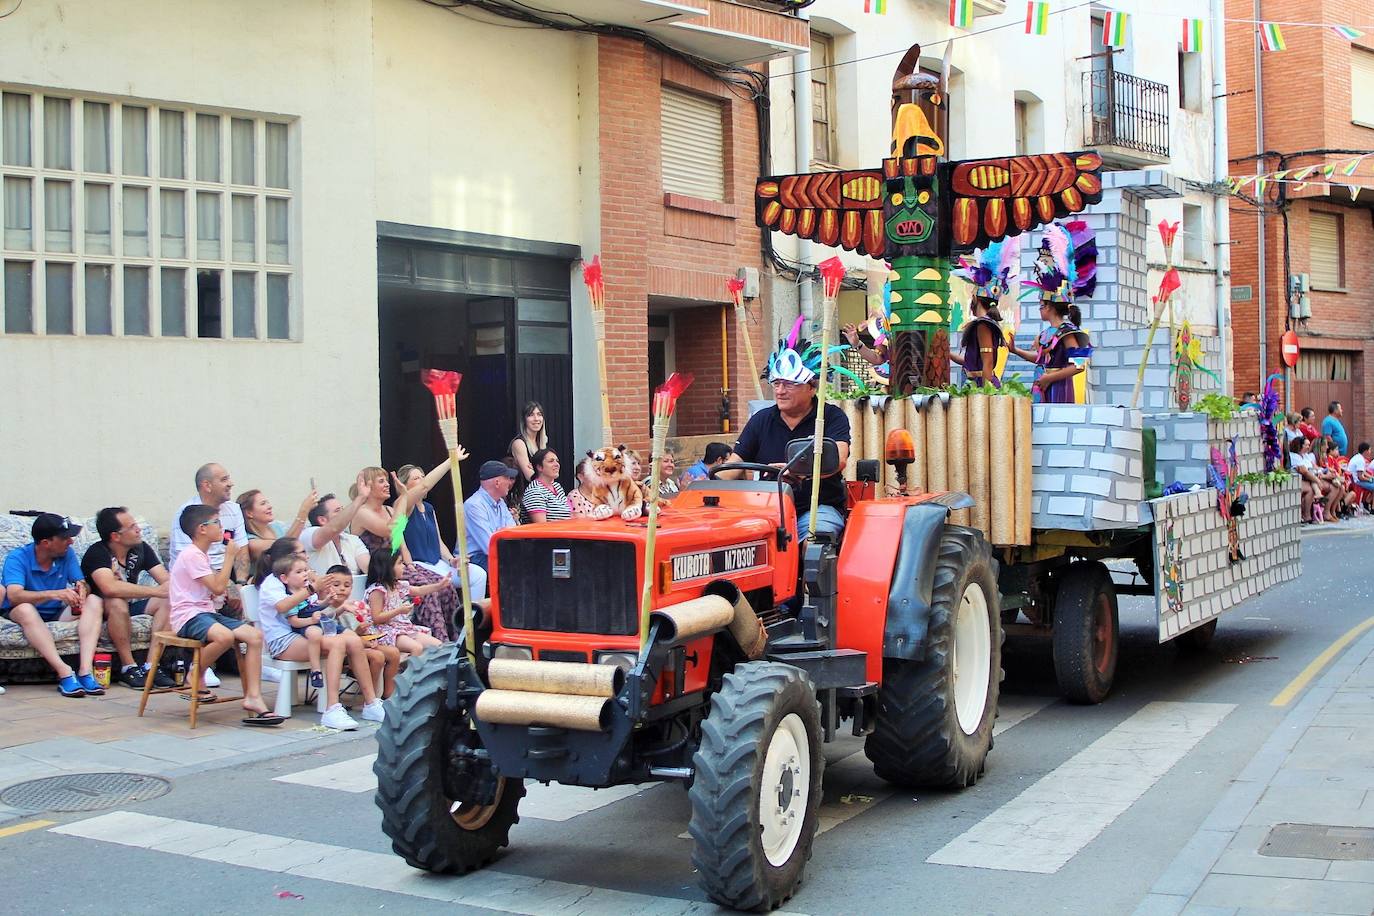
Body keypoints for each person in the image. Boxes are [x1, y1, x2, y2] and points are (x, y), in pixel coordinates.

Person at [722, 328, 851, 540]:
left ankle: (812, 573)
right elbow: (735, 464)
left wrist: (799, 471)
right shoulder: (761, 420)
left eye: (790, 383)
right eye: (777, 383)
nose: (780, 390)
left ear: (812, 388)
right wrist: (708, 479)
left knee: (815, 540)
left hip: (817, 507)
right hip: (765, 506)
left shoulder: (831, 417)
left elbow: (838, 458)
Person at [169, 503, 279, 725]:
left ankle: (253, 697)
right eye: (217, 523)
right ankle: (195, 673)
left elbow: (212, 590)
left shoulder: (202, 554)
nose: (222, 528)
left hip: (206, 613)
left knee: (254, 636)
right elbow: (218, 586)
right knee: (225, 637)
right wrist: (230, 556)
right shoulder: (191, 555)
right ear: (202, 528)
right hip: (188, 615)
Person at [258, 554, 385, 730]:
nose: (305, 570)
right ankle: (332, 708)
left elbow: (317, 611)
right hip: (284, 639)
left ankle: (371, 703)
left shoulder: (302, 585)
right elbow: (284, 608)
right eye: (300, 569)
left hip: (308, 634)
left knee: (354, 641)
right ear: (285, 576)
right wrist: (312, 588)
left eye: (305, 569)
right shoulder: (273, 583)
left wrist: (333, 605)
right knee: (337, 644)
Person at [351, 465, 459, 642]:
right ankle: (440, 643)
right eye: (381, 481)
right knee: (427, 593)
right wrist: (403, 499)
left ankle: (455, 640)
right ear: (368, 487)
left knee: (445, 586)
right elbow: (390, 531)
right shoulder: (361, 513)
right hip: (381, 572)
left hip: (399, 566)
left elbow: (401, 543)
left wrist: (410, 566)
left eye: (387, 480)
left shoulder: (389, 511)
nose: (387, 485)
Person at [1, 514, 102, 697]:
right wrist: (54, 594)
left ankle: (85, 672)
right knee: (25, 609)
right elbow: (14, 596)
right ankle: (64, 673)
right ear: (46, 543)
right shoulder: (17, 558)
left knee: (94, 601)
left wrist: (82, 588)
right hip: (22, 612)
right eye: (64, 538)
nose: (71, 542)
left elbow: (81, 582)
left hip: (56, 612)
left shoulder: (66, 554)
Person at [79, 507, 174, 689]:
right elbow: (110, 588)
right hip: (103, 608)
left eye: (136, 525)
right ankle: (128, 667)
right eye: (132, 527)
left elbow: (166, 580)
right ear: (115, 536)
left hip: (131, 604)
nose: (138, 530)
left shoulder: (141, 549)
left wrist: (167, 589)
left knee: (168, 600)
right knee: (117, 602)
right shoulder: (97, 553)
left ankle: (151, 666)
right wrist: (156, 591)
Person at [1012, 221, 1096, 404]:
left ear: (1049, 307)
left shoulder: (1067, 331)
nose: (1040, 308)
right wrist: (1014, 350)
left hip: (1058, 389)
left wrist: (1050, 378)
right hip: (1043, 386)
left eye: (1041, 305)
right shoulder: (1046, 332)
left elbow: (1079, 366)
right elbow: (1041, 359)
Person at [396, 461, 487, 601]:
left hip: (437, 563)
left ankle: (473, 620)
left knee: (478, 575)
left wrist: (451, 560)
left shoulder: (429, 508)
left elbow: (438, 542)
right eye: (416, 478)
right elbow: (424, 486)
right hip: (418, 564)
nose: (422, 480)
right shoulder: (404, 506)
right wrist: (450, 461)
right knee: (446, 581)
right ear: (404, 485)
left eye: (422, 476)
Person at [323, 563, 400, 700]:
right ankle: (371, 698)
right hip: (342, 649)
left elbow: (361, 632)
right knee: (377, 657)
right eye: (336, 585)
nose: (342, 589)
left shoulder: (355, 606)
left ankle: (387, 694)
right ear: (326, 585)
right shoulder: (324, 607)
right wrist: (359, 634)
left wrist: (367, 635)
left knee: (393, 653)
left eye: (347, 586)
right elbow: (332, 632)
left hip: (360, 643)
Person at [949, 240, 1015, 387]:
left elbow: (988, 362)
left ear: (975, 298)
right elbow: (972, 363)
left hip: (981, 385)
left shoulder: (983, 324)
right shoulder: (986, 323)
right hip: (976, 382)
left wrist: (985, 395)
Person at [363, 545, 443, 658]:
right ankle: (409, 674)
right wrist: (399, 610)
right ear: (388, 567)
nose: (404, 566)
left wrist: (439, 586)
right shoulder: (377, 591)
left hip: (400, 627)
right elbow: (377, 618)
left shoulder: (398, 585)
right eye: (400, 563)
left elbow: (419, 590)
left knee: (438, 645)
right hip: (383, 631)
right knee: (416, 647)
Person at [168, 463, 248, 576]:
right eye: (224, 480)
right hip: (195, 578)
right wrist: (227, 585)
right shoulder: (188, 514)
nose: (231, 484)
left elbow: (242, 552)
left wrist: (241, 583)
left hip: (226, 575)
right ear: (207, 486)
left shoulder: (234, 509)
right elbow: (192, 562)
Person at [301, 484, 372, 577]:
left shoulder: (353, 540)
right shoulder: (308, 534)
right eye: (338, 510)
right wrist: (361, 497)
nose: (344, 513)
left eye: (343, 509)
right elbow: (333, 529)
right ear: (322, 520)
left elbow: (370, 570)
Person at [464, 460, 519, 570]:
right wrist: (503, 533)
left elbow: (514, 534)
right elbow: (490, 546)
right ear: (497, 483)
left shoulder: (501, 502)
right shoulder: (474, 505)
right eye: (507, 478)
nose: (510, 482)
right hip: (474, 560)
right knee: (516, 568)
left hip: (497, 553)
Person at [238, 488, 316, 563]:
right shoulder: (251, 542)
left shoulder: (277, 526)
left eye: (267, 502)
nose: (269, 506)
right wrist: (304, 510)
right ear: (249, 513)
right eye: (263, 504)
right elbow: (286, 547)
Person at [508, 401, 549, 504]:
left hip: (541, 495)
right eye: (531, 415)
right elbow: (530, 476)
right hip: (525, 498)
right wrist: (545, 472)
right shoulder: (519, 443)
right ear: (524, 420)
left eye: (539, 414)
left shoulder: (542, 443)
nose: (536, 419)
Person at [522, 449, 572, 522]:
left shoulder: (557, 487)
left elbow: (570, 514)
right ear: (539, 467)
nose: (557, 464)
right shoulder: (535, 491)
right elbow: (541, 527)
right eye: (551, 461)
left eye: (557, 461)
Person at [1347, 442, 1374, 511]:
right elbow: (1360, 477)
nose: (1370, 452)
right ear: (1365, 451)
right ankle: (1368, 504)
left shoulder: (1358, 457)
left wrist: (1371, 477)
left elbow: (1363, 471)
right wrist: (1370, 480)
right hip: (1356, 481)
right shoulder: (1360, 460)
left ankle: (1367, 502)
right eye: (1370, 450)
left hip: (1355, 479)